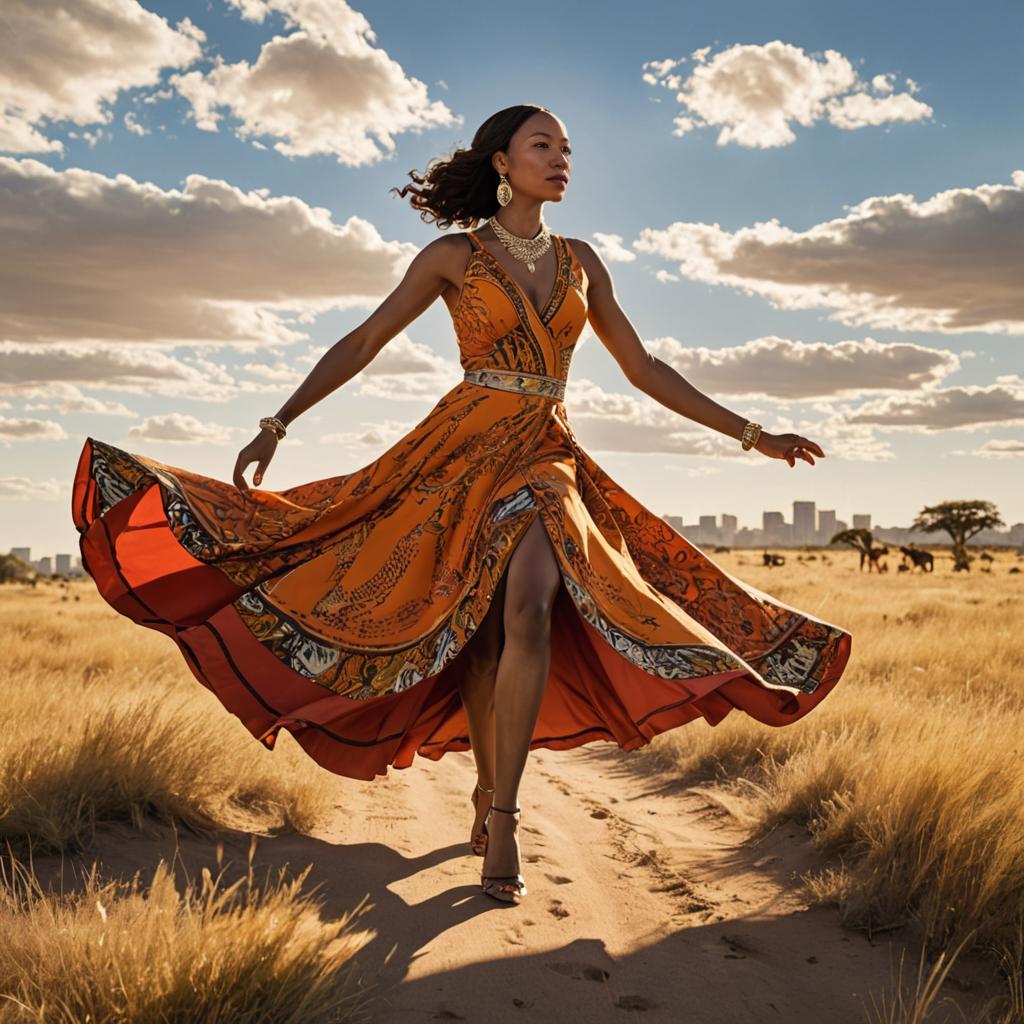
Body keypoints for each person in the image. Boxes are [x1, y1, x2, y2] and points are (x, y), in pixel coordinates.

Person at [72, 103, 852, 906]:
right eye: (543, 145)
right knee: (476, 643)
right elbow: (365, 340)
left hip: (545, 453)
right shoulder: (454, 254)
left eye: (568, 147)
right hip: (457, 453)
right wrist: (279, 421)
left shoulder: (584, 262)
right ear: (503, 163)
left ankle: (506, 818)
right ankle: (486, 790)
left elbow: (644, 367)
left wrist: (752, 434)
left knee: (530, 608)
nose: (561, 159)